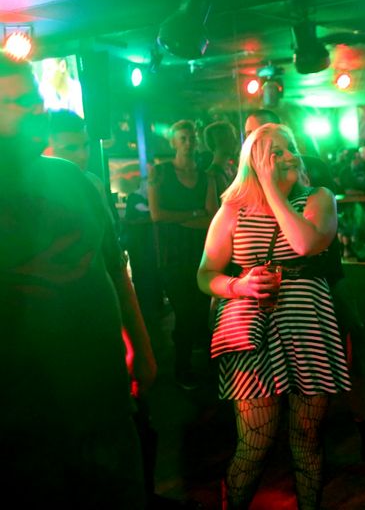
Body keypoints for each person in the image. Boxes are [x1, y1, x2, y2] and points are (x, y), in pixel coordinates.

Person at [1, 55, 154, 507]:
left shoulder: (71, 178)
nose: (36, 109)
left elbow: (113, 268)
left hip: (103, 399)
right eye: (17, 102)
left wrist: (142, 348)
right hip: (21, 420)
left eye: (36, 98)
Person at [198, 123, 352, 509]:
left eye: (290, 148)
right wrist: (238, 286)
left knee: (307, 438)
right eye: (275, 152)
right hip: (251, 331)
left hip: (309, 324)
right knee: (255, 441)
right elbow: (205, 275)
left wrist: (272, 190)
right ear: (255, 160)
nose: (288, 156)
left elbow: (305, 244)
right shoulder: (233, 209)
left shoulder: (318, 197)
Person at [243, 113, 365, 479]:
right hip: (272, 290)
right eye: (249, 134)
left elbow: (317, 233)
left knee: (348, 360)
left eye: (261, 132)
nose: (254, 140)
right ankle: (303, 451)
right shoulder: (247, 176)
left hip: (324, 280)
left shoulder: (309, 168)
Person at [148, 119, 215, 390]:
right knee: (184, 310)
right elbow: (157, 214)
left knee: (200, 310)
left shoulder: (206, 177)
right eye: (183, 138)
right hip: (172, 255)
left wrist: (180, 218)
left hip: (201, 252)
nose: (188, 143)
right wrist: (194, 214)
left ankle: (202, 366)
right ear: (173, 142)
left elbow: (212, 218)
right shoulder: (161, 173)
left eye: (191, 138)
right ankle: (182, 367)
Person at [204, 119, 240, 207]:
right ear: (220, 141)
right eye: (231, 138)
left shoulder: (232, 168)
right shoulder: (213, 175)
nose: (236, 142)